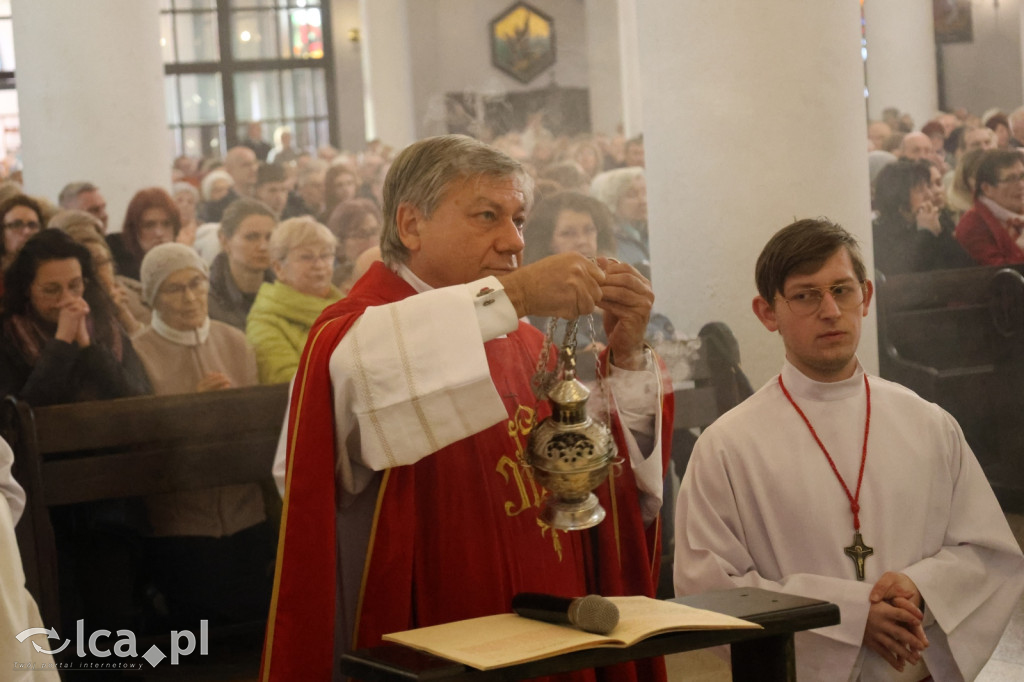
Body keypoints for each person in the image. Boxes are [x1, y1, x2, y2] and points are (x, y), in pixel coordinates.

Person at [261, 135, 672, 682]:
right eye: (487, 215)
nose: (513, 242)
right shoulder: (356, 334)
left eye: (520, 219)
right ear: (411, 225)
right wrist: (518, 296)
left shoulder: (525, 341)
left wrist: (625, 355)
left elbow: (605, 478)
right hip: (437, 631)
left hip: (557, 619)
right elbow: (349, 405)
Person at [673, 218, 1024, 682]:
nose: (831, 310)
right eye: (805, 295)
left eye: (842, 290)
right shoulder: (728, 446)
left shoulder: (928, 423)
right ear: (767, 312)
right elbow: (707, 590)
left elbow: (988, 551)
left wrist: (920, 588)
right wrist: (851, 617)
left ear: (866, 297)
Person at [131, 243, 273, 626]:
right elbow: (141, 444)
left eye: (196, 283)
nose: (190, 297)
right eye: (174, 289)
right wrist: (193, 409)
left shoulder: (236, 342)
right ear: (152, 298)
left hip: (246, 514)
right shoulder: (138, 353)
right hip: (180, 524)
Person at [0, 229, 150, 405]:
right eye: (51, 290)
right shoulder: (9, 335)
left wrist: (88, 347)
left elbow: (140, 399)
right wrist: (62, 342)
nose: (67, 300)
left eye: (75, 285)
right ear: (27, 289)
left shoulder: (107, 326)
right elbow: (19, 416)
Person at [245, 216, 342, 384]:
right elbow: (288, 383)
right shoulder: (264, 321)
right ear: (278, 268)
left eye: (325, 255)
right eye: (306, 257)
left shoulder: (347, 307)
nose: (319, 265)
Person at [50, 209, 149, 336]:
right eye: (86, 266)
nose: (96, 273)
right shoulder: (67, 313)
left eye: (102, 262)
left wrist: (124, 314)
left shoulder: (132, 291)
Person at [872, 159, 971, 274]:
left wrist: (941, 233)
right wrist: (926, 233)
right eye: (920, 191)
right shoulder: (880, 233)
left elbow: (965, 266)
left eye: (928, 187)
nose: (929, 195)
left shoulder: (938, 219)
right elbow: (907, 273)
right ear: (899, 198)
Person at [207, 198, 277, 330]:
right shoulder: (205, 299)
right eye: (251, 237)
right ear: (225, 241)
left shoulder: (286, 291)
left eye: (269, 237)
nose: (263, 246)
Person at [955, 149, 1024, 265]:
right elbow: (1002, 274)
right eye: (1011, 179)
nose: (1021, 185)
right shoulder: (973, 225)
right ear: (987, 188)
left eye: (1022, 176)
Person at [107, 187, 181, 280]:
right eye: (149, 225)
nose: (159, 233)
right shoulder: (120, 275)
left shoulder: (184, 266)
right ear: (134, 230)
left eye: (166, 224)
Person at [590, 167, 649, 274]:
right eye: (632, 195)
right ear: (612, 201)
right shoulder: (607, 241)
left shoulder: (648, 232)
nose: (643, 201)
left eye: (645, 192)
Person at [324, 197, 382, 289]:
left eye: (374, 232)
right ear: (340, 243)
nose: (371, 240)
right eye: (360, 234)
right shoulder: (330, 281)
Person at [0, 194, 44, 279]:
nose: (26, 231)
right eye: (16, 225)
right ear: (2, 232)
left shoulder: (46, 274)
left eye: (32, 225)